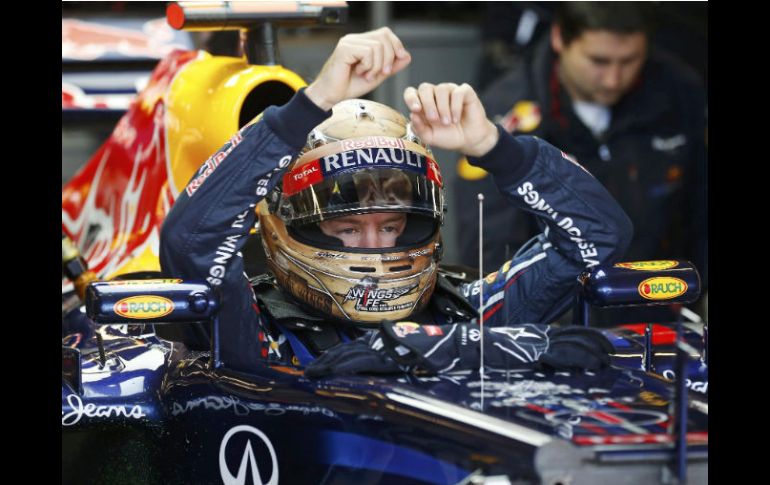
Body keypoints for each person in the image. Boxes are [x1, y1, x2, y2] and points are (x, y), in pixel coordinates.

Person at [160, 28, 632, 376]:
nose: (374, 249)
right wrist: (311, 103)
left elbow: (599, 235)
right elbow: (192, 241)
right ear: (284, 225)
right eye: (346, 228)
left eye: (390, 227)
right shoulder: (255, 334)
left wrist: (495, 147)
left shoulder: (468, 313)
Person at [455, 2, 707, 297]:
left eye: (629, 60)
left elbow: (701, 204)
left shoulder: (680, 92)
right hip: (556, 321)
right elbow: (491, 248)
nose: (614, 78)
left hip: (662, 304)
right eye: (599, 61)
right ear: (559, 38)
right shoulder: (502, 117)